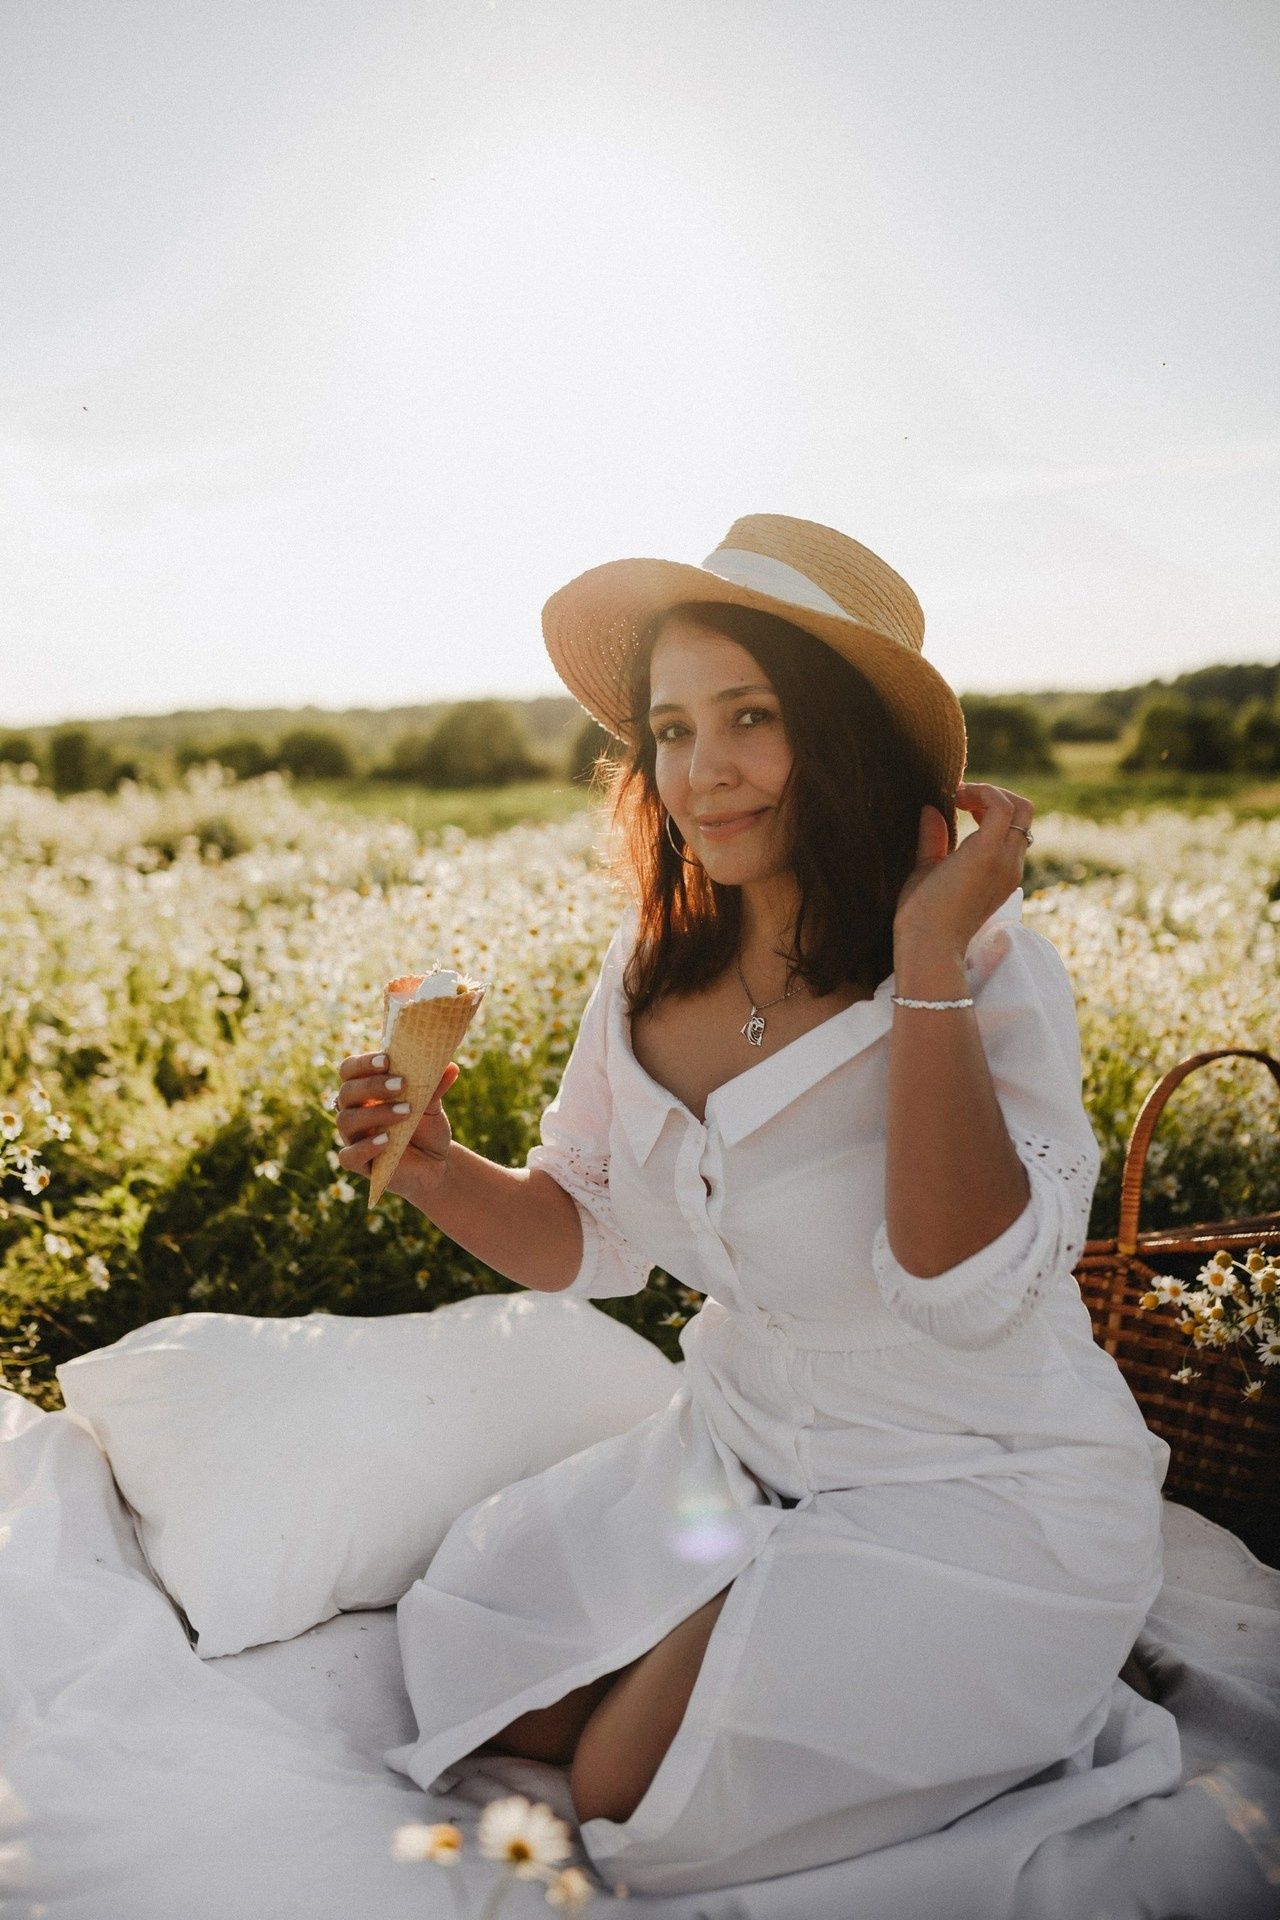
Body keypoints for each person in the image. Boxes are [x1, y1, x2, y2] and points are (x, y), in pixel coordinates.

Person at [334, 515, 1169, 1895]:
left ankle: (984, 1664)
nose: (701, 770)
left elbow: (964, 1290)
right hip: (740, 1446)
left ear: (842, 739)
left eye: (751, 717)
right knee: (485, 1673)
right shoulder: (651, 964)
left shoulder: (988, 972)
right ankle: (789, 1622)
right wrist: (432, 1165)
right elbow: (587, 1234)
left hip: (975, 1481)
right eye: (671, 729)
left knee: (624, 1791)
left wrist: (925, 956)